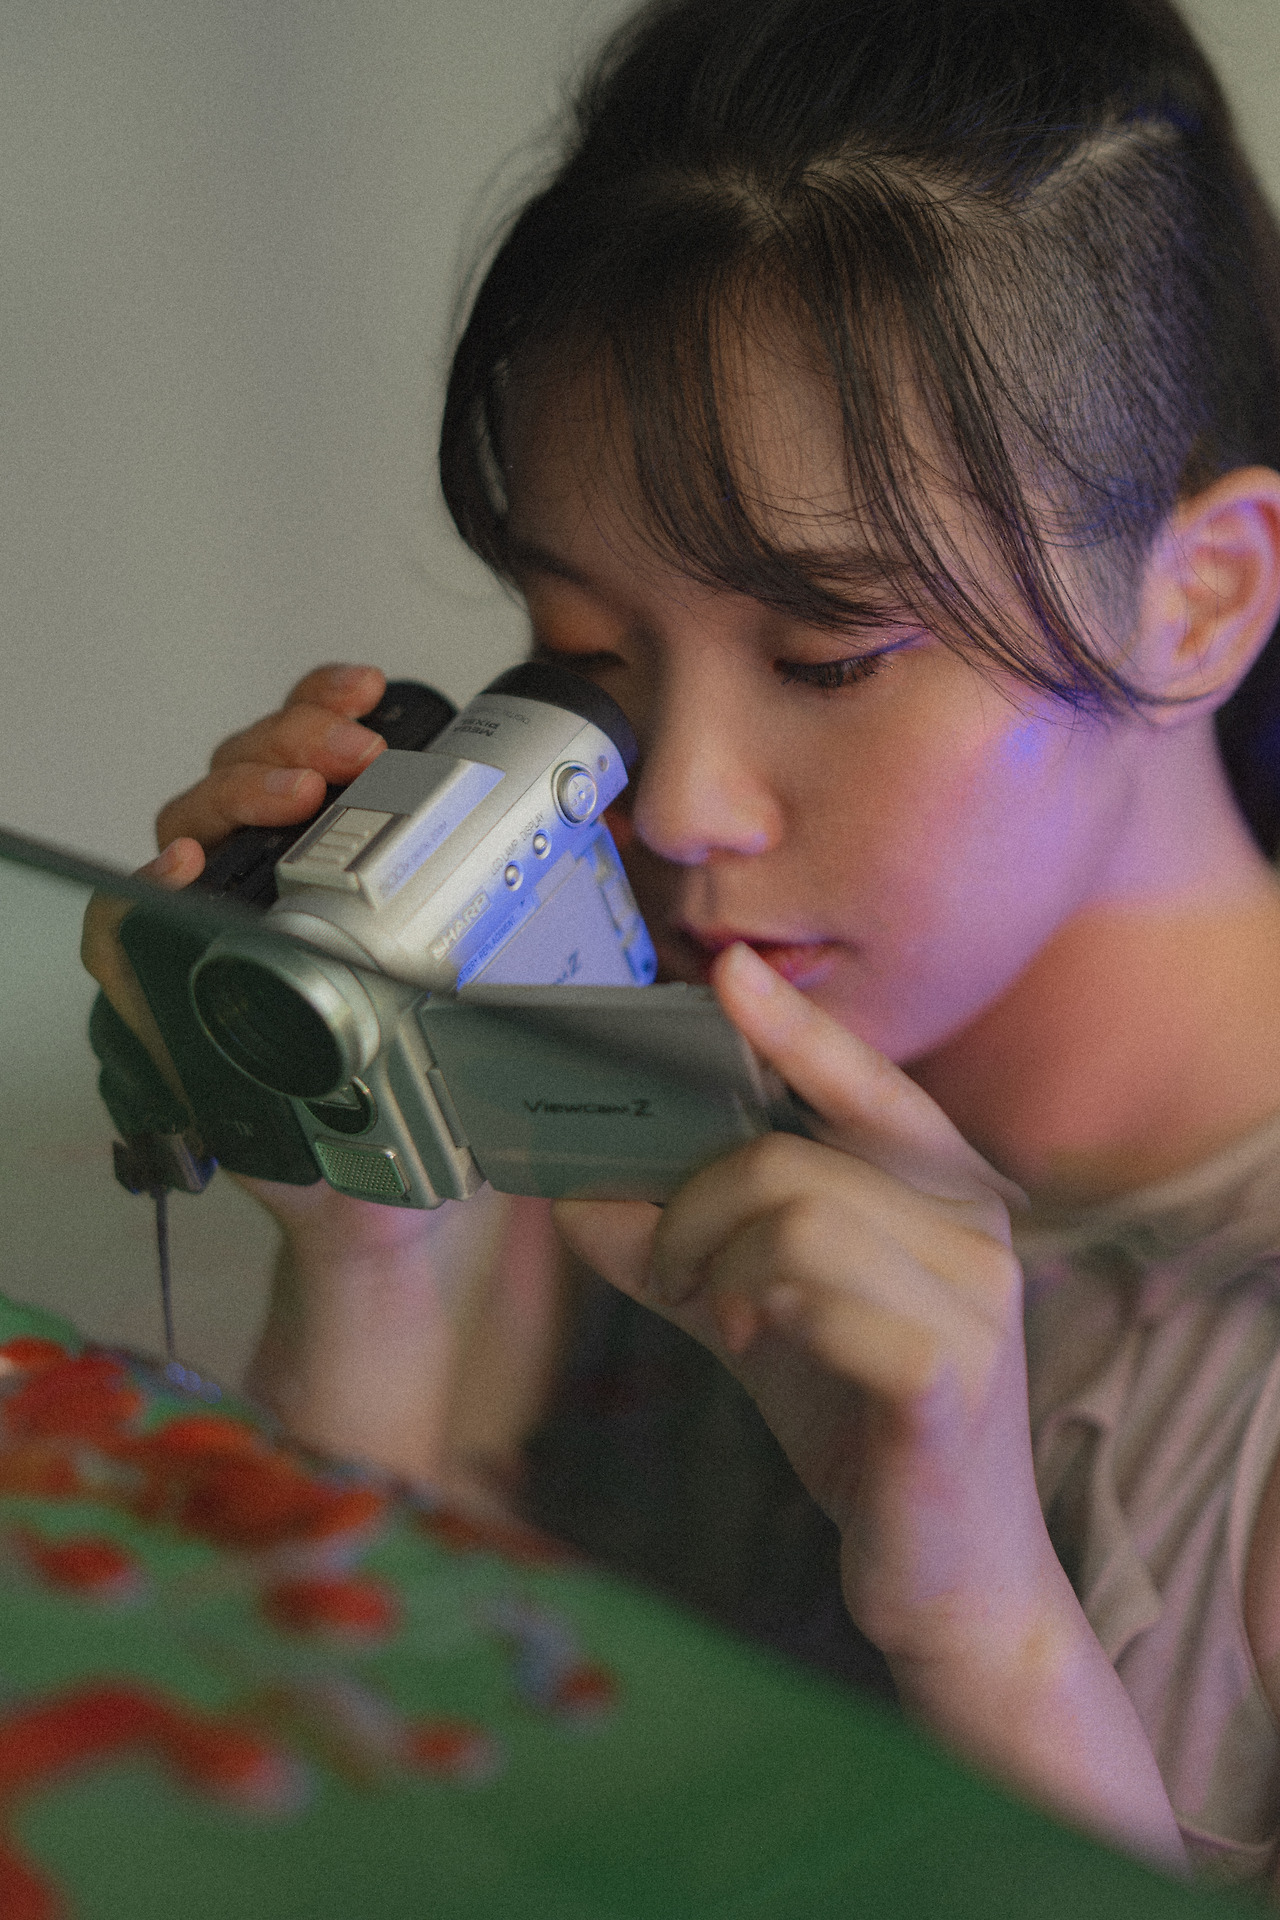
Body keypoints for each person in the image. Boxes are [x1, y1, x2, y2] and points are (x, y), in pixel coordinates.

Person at [83, 0, 1280, 1885]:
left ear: (1201, 597)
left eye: (828, 656)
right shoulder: (622, 1076)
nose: (682, 806)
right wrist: (368, 1236)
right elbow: (335, 1833)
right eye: (591, 656)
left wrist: (985, 1623)